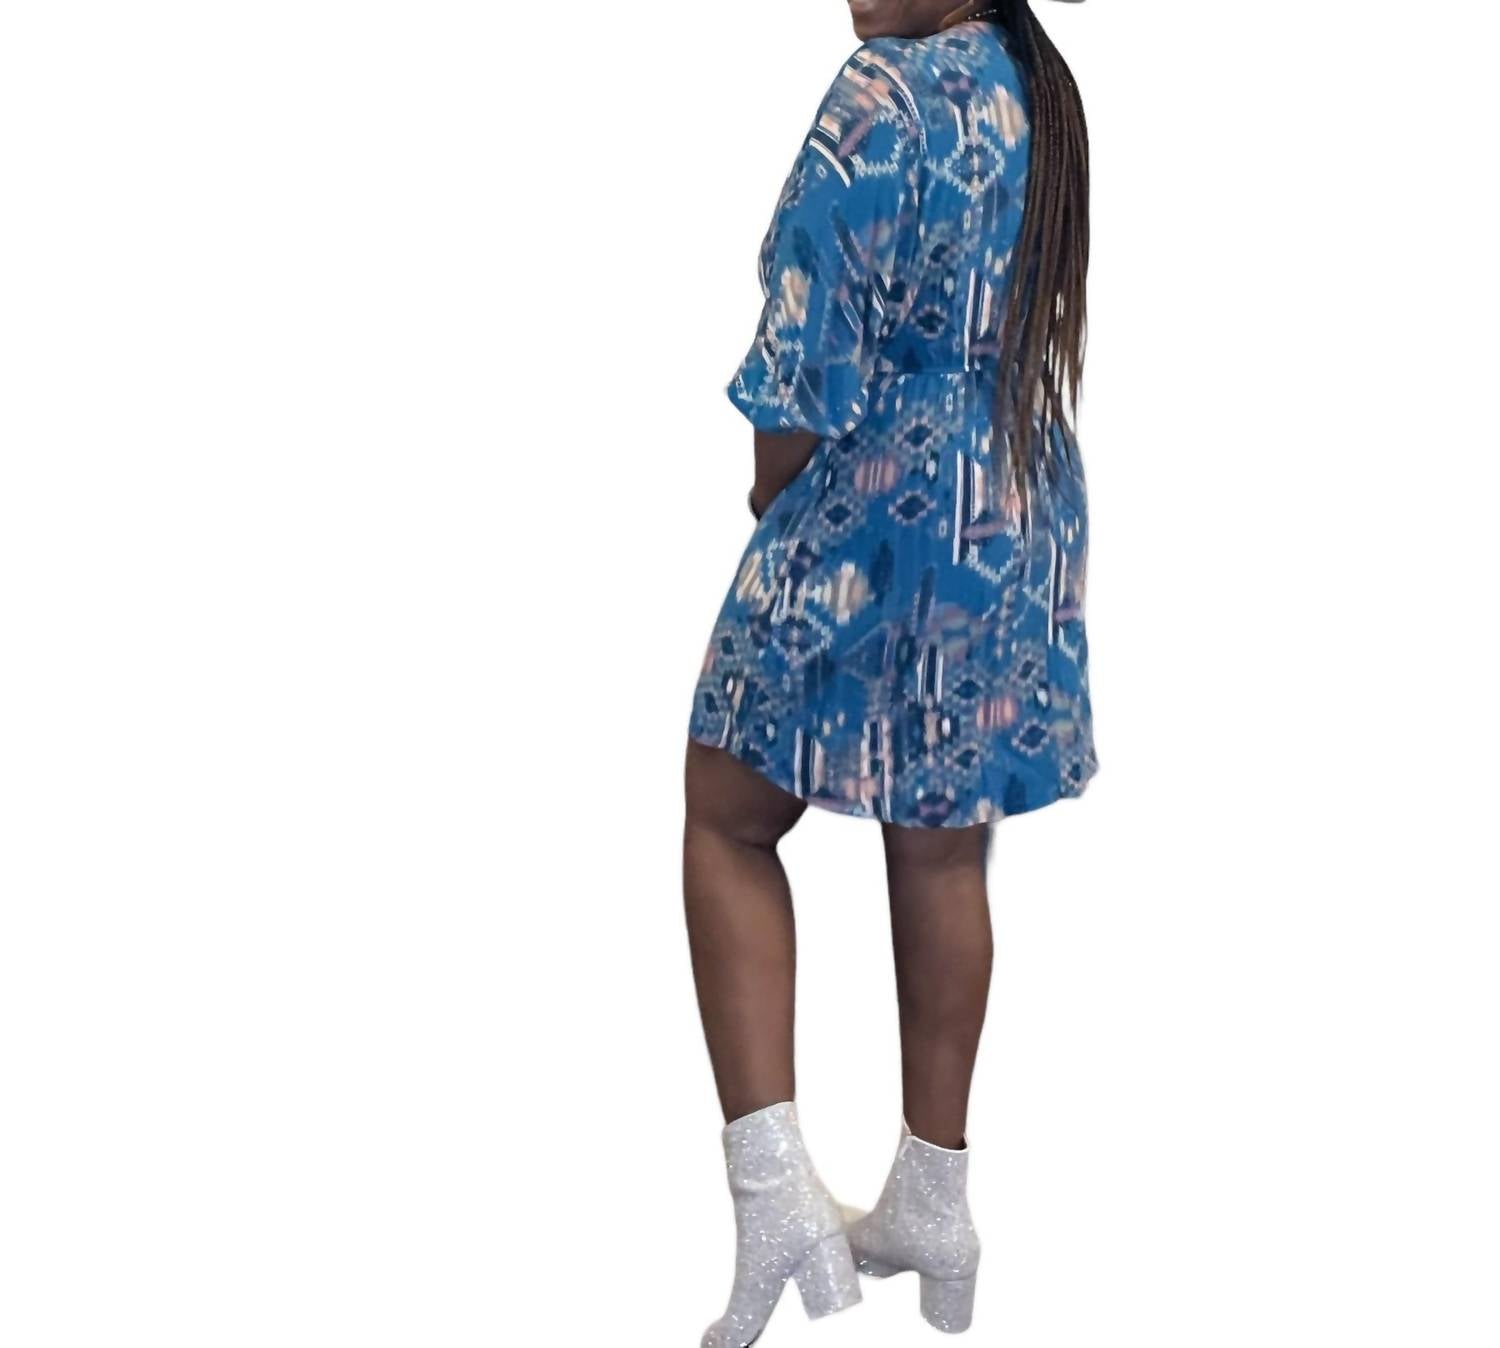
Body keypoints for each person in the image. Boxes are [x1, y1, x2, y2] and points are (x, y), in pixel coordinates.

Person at [683, 2, 1092, 1342]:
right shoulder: (1035, 90)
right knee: (940, 848)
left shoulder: (881, 95)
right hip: (1015, 498)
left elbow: (808, 351)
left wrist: (775, 496)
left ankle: (774, 1200)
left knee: (725, 811)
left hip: (880, 500)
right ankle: (934, 1193)